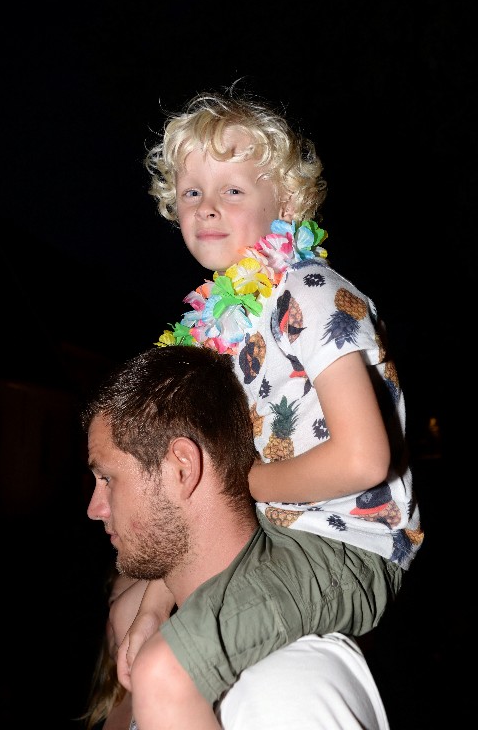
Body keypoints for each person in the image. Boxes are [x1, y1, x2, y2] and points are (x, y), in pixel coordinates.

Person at [114, 87, 423, 726]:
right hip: (266, 540)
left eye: (232, 190)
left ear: (284, 202)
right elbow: (188, 492)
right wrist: (152, 602)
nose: (206, 208)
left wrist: (247, 479)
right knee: (130, 627)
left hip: (344, 547)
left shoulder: (309, 291)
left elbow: (366, 457)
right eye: (191, 192)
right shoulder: (216, 330)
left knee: (165, 673)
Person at [83, 344, 396, 729]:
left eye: (108, 479)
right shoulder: (185, 658)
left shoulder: (285, 691)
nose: (94, 508)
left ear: (182, 469)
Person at [81, 562, 147, 730]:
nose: (115, 617)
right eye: (113, 603)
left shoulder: (182, 694)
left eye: (133, 603)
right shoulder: (102, 706)